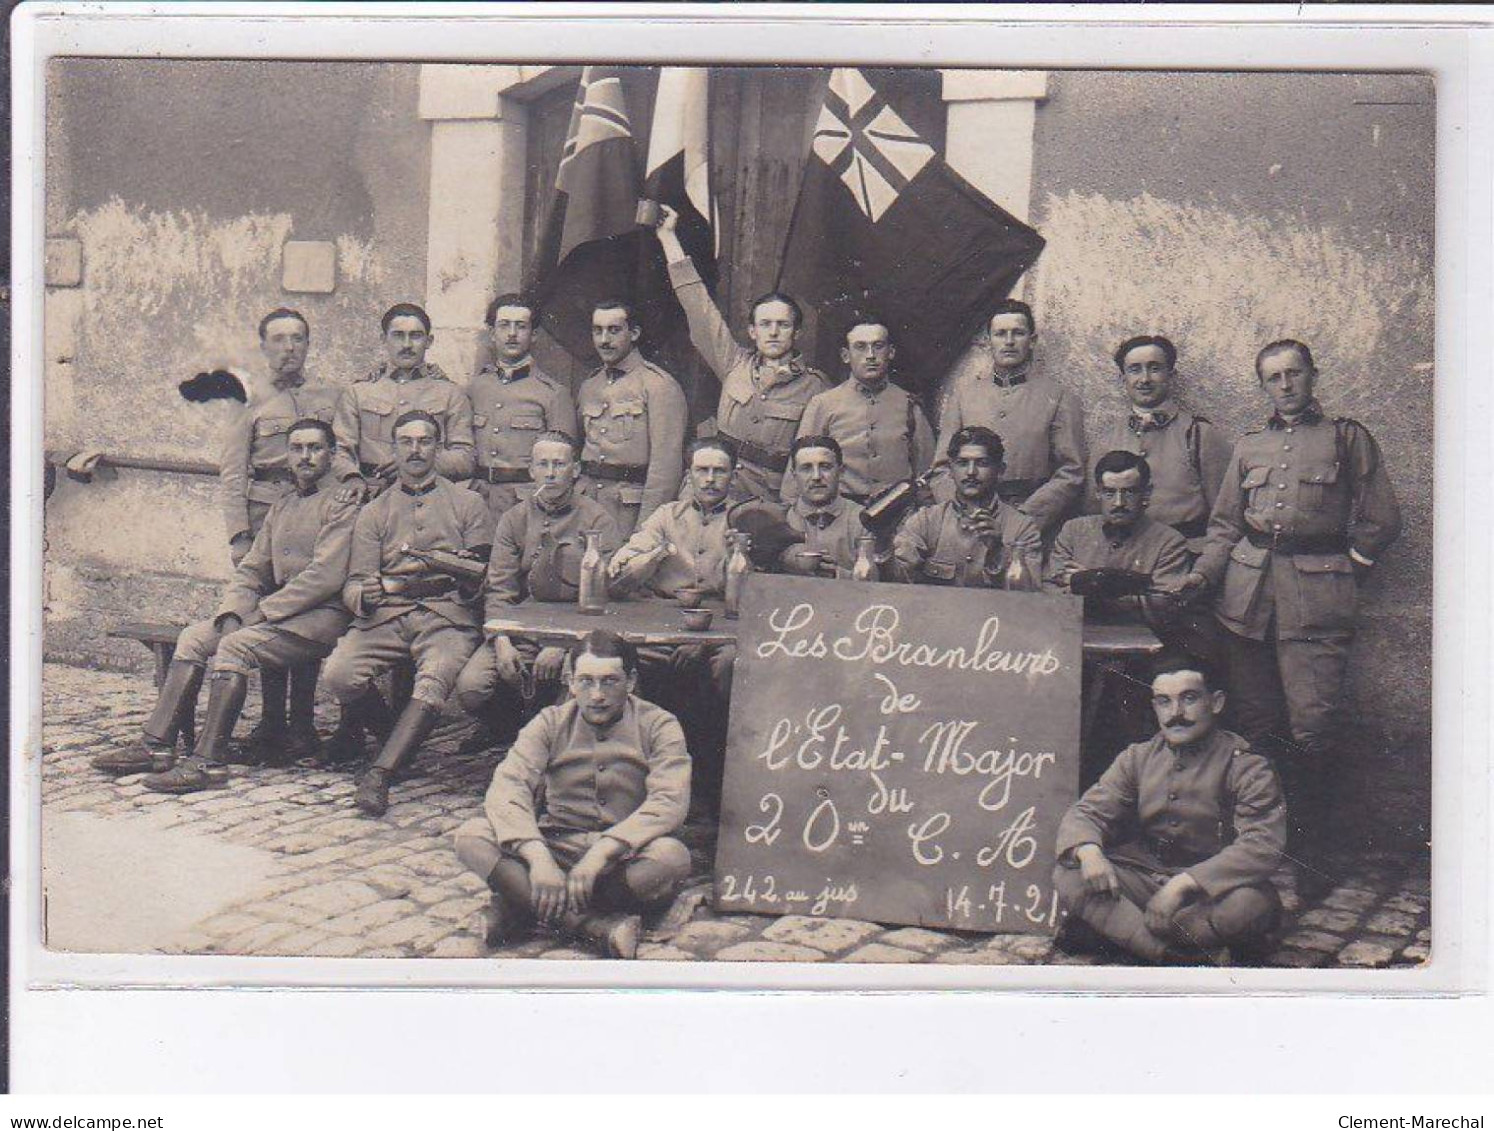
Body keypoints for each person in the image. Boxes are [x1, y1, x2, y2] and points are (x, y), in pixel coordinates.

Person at [1180, 340, 1401, 897]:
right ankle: (1252, 854)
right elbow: (1226, 525)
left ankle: (1313, 860)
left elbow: (1381, 517)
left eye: (1294, 373)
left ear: (1312, 376)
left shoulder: (1346, 438)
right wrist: (1204, 576)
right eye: (1273, 377)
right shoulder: (1251, 445)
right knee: (1254, 729)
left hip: (1314, 604)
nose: (1285, 385)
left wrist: (1345, 570)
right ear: (1263, 386)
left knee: (1313, 729)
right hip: (1247, 602)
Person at [92, 420, 357, 789]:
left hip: (319, 618)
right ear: (288, 455)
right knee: (194, 638)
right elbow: (252, 569)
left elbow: (326, 576)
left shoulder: (343, 503)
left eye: (315, 448)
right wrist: (233, 613)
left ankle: (208, 762)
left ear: (332, 454)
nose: (305, 457)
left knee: (234, 647)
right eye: (297, 448)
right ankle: (157, 745)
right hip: (274, 615)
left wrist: (260, 613)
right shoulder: (283, 504)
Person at [452, 630, 693, 959]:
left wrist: (602, 852)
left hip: (622, 856)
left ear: (631, 681)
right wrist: (537, 857)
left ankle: (520, 904)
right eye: (586, 681)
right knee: (470, 835)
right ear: (570, 681)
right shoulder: (549, 722)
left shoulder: (659, 725)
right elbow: (509, 786)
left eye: (609, 681)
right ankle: (592, 927)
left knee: (672, 857)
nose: (597, 695)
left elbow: (669, 801)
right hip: (556, 845)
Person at [1054, 651, 1286, 964]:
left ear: (1215, 703)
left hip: (1211, 891)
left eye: (1188, 699)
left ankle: (1122, 933)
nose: (1175, 713)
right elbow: (1089, 812)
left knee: (1248, 906)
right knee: (1070, 872)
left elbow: (1262, 845)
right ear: (1154, 706)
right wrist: (1089, 851)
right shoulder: (1137, 757)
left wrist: (1181, 885)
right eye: (1163, 701)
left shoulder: (1247, 766)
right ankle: (1172, 955)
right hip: (1146, 878)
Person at [321, 411, 491, 817]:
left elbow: (481, 577)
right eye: (406, 442)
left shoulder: (467, 503)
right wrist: (364, 594)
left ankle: (380, 773)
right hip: (387, 616)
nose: (416, 450)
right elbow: (356, 582)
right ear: (394, 450)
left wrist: (458, 575)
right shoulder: (374, 512)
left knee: (436, 676)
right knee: (339, 674)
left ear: (438, 447)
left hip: (447, 616)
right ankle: (395, 739)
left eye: (425, 441)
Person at [218, 308, 341, 761]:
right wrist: (238, 537)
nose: (289, 348)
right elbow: (232, 475)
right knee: (267, 617)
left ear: (308, 345)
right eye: (279, 339)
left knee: (303, 613)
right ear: (264, 345)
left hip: (316, 516)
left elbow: (342, 454)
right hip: (265, 517)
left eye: (298, 339)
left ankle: (303, 724)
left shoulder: (329, 396)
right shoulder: (245, 401)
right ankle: (271, 724)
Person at [654, 203, 829, 503]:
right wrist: (668, 238)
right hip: (714, 485)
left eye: (782, 325)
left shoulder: (816, 388)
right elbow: (698, 306)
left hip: (768, 500)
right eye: (765, 324)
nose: (773, 332)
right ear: (752, 332)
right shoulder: (734, 364)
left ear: (796, 332)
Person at [453, 430, 621, 740]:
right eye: (543, 464)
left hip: (577, 633)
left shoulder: (598, 519)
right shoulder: (514, 518)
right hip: (521, 630)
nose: (551, 473)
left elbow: (604, 599)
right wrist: (502, 639)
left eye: (560, 464)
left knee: (572, 695)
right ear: (531, 470)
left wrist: (564, 642)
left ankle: (553, 737)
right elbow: (499, 587)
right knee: (471, 688)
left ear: (576, 470)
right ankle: (506, 726)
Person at [935, 299, 1086, 537]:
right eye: (1000, 334)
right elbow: (942, 468)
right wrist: (963, 512)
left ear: (1032, 340)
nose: (1008, 341)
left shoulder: (1058, 397)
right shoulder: (965, 396)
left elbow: (1071, 471)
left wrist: (1023, 520)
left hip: (1028, 522)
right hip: (969, 522)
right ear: (988, 341)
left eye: (1018, 333)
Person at [1089, 335, 1233, 554]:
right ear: (1122, 379)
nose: (1145, 379)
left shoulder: (1199, 435)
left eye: (1154, 368)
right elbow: (1092, 513)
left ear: (1171, 376)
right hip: (1122, 557)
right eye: (1135, 369)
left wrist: (1204, 570)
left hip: (1185, 556)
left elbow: (1226, 520)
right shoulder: (1106, 440)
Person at [785, 317, 935, 507]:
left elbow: (927, 471)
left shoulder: (909, 405)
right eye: (861, 347)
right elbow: (799, 467)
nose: (870, 355)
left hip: (898, 513)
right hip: (840, 515)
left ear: (891, 352)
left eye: (878, 346)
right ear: (845, 355)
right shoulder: (823, 404)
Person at [332, 302, 476, 494]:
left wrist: (419, 462)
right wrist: (351, 478)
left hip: (431, 495)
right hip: (372, 492)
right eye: (398, 335)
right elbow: (339, 449)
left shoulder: (450, 394)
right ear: (384, 339)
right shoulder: (359, 392)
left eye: (415, 336)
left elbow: (465, 457)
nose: (407, 345)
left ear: (429, 341)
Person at [575, 299, 688, 538]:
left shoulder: (658, 385)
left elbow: (665, 469)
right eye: (598, 331)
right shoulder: (589, 386)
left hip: (628, 512)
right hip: (587, 507)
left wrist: (646, 530)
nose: (604, 340)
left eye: (614, 330)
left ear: (634, 333)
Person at [467, 293, 578, 528]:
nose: (512, 334)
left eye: (521, 326)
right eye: (504, 325)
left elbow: (562, 467)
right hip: (477, 503)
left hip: (527, 507)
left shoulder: (553, 394)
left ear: (534, 335)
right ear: (491, 333)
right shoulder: (475, 388)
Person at [1046, 451, 1192, 623]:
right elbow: (1050, 593)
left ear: (1146, 493)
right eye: (1109, 492)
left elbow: (1163, 607)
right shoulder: (1073, 531)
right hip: (1079, 635)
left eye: (1129, 492)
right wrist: (1131, 587)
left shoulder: (1170, 542)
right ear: (1098, 493)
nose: (1118, 503)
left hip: (1140, 642)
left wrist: (1092, 582)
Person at [893, 426, 1043, 589]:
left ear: (1000, 470)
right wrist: (882, 546)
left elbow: (1031, 599)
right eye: (962, 463)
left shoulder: (1022, 528)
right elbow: (898, 581)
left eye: (982, 463)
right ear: (950, 470)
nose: (971, 472)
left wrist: (998, 554)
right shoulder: (926, 521)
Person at [778, 435, 884, 579]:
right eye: (806, 468)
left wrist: (838, 575)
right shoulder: (780, 519)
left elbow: (882, 584)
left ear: (841, 472)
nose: (816, 476)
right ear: (794, 475)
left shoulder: (864, 522)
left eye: (825, 467)